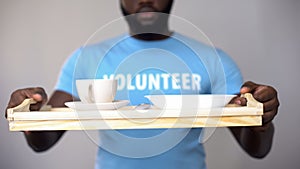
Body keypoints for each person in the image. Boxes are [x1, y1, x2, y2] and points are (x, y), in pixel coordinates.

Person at [6, 0, 279, 169]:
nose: (145, 0)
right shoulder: (86, 58)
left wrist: (261, 117)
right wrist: (30, 118)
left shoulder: (213, 59)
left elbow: (255, 148)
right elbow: (44, 140)